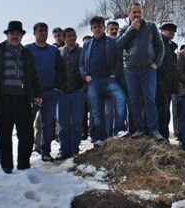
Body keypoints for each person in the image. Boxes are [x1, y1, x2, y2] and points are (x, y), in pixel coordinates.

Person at [0, 21, 42, 173]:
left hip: (22, 99)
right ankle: (7, 166)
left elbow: (33, 76)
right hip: (2, 99)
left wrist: (37, 93)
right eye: (12, 33)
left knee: (27, 135)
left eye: (18, 33)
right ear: (7, 34)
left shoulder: (26, 53)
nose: (15, 36)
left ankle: (23, 165)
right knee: (4, 135)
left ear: (22, 36)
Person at [116, 2, 165, 141]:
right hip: (131, 70)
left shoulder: (151, 26)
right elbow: (118, 44)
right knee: (135, 100)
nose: (137, 14)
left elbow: (160, 46)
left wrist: (157, 63)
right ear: (129, 13)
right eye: (134, 12)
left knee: (150, 99)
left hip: (148, 70)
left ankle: (154, 129)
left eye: (139, 12)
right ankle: (139, 129)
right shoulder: (125, 29)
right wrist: (131, 29)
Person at [80, 16, 128, 146]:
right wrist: (85, 75)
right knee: (96, 110)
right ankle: (100, 137)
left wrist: (115, 74)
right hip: (93, 81)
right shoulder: (87, 45)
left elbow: (119, 59)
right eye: (95, 27)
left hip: (108, 78)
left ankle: (119, 129)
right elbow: (81, 64)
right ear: (91, 29)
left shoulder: (112, 41)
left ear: (103, 28)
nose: (97, 29)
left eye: (100, 26)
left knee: (120, 97)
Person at [25, 22, 66, 162]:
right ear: (34, 33)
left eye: (45, 30)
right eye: (40, 30)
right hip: (32, 94)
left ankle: (45, 152)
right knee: (26, 123)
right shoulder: (28, 49)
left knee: (48, 124)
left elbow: (59, 70)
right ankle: (25, 152)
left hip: (50, 92)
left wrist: (57, 87)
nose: (43, 33)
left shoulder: (53, 51)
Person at [58, 28, 85, 160]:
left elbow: (86, 68)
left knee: (77, 122)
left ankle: (75, 148)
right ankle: (64, 149)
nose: (71, 38)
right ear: (64, 38)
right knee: (63, 123)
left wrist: (83, 88)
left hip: (77, 92)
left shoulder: (82, 52)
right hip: (62, 93)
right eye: (69, 36)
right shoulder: (59, 53)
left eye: (73, 35)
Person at [156, 22, 178, 140]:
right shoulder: (159, 44)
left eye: (173, 31)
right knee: (161, 110)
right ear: (162, 31)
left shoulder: (171, 47)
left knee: (165, 111)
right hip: (160, 82)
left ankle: (163, 135)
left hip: (168, 84)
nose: (172, 33)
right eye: (169, 30)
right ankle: (160, 135)